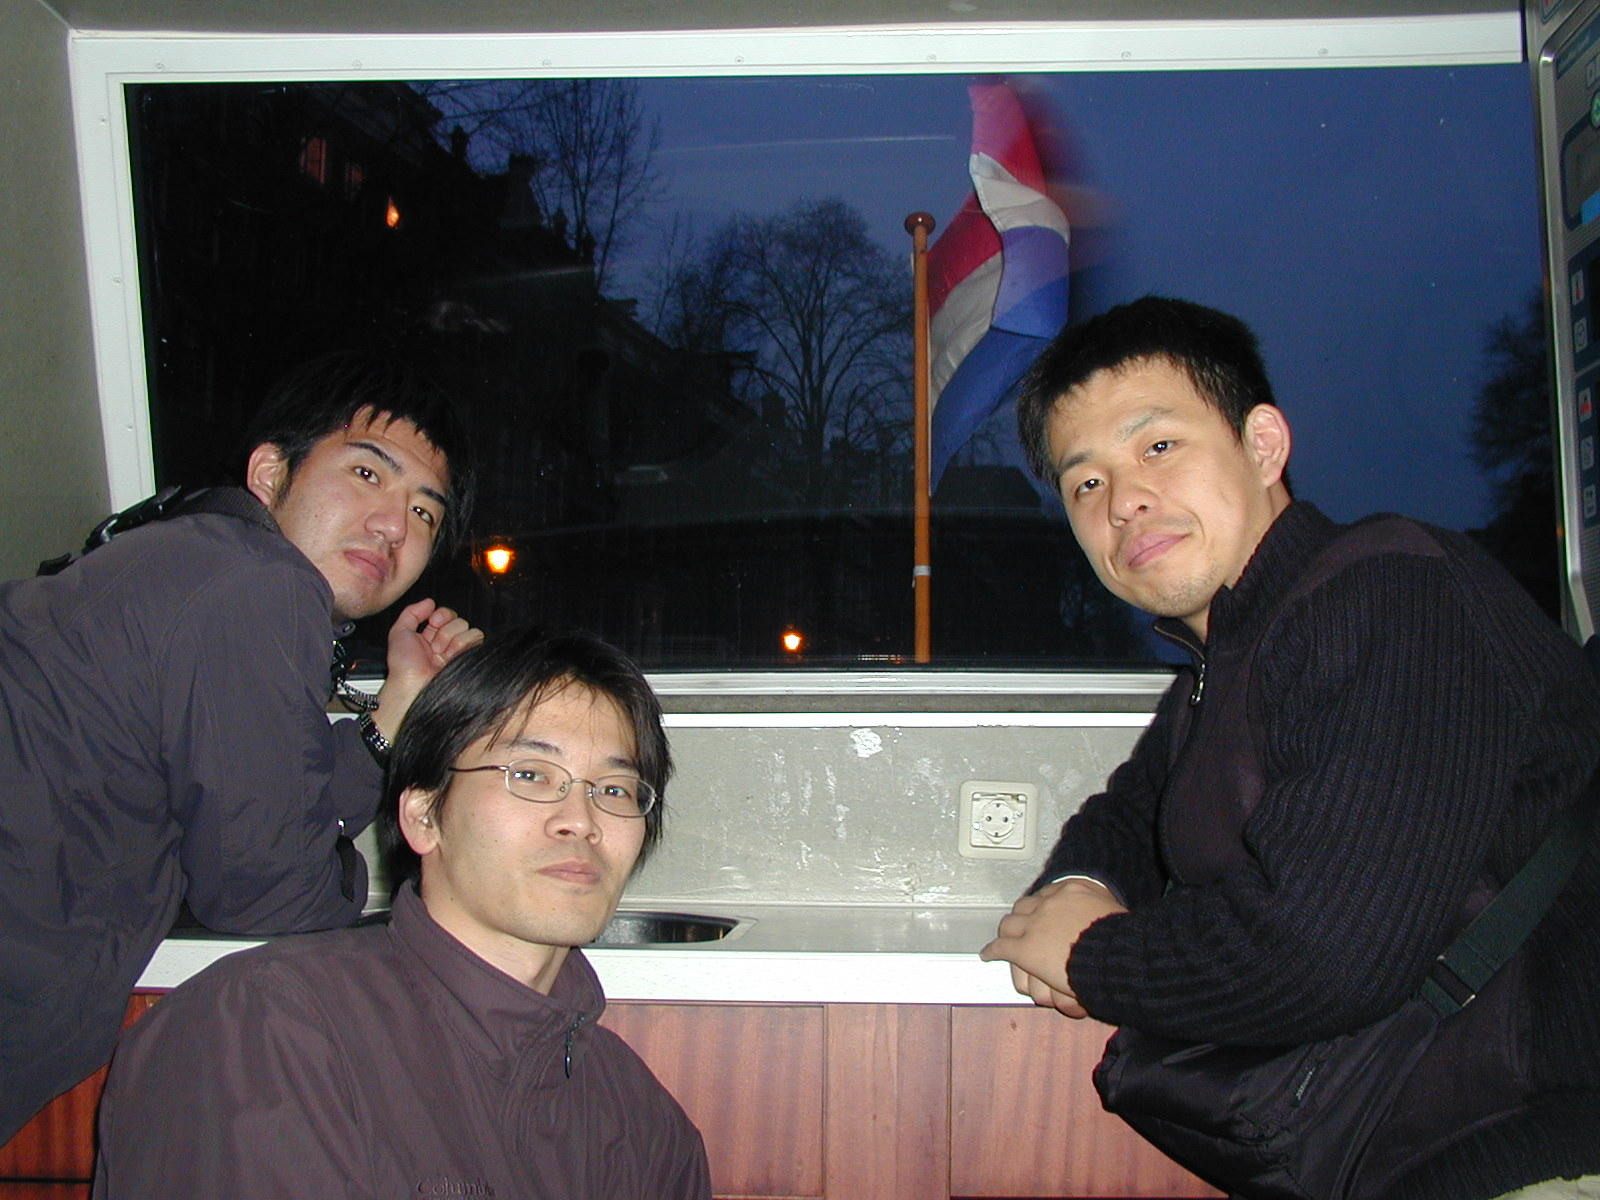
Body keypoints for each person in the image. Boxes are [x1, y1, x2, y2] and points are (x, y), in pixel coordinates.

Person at [980, 296, 1600, 1200]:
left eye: (1159, 446)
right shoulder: (1225, 657)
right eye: (1086, 484)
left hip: (1534, 1147)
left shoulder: (1392, 595)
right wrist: (1080, 883)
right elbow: (1132, 813)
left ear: (1264, 445)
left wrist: (1091, 956)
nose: (1124, 501)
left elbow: (1323, 956)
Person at [0, 350, 483, 1146]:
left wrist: (399, 707)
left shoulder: (198, 560)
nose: (395, 526)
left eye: (425, 513)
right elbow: (272, 894)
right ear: (269, 474)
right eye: (368, 474)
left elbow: (276, 813)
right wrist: (353, 879)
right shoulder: (258, 584)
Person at [93, 627, 711, 1200]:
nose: (581, 820)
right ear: (423, 816)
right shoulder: (264, 1031)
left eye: (613, 789)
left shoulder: (640, 1119)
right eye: (530, 774)